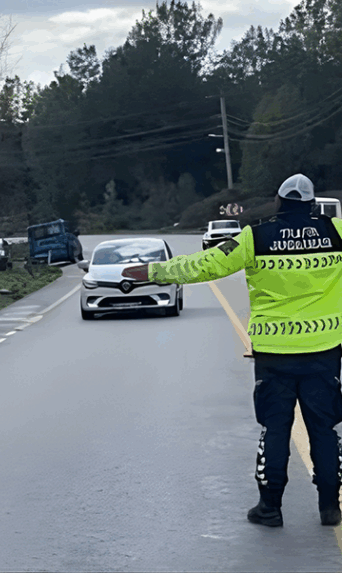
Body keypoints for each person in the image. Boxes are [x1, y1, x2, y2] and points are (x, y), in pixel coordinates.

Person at [121, 173, 342, 528]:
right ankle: (330, 507)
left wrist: (155, 271)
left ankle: (270, 508)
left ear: (278, 203)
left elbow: (205, 264)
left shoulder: (255, 236)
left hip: (274, 355)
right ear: (314, 205)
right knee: (325, 431)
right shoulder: (336, 233)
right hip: (324, 351)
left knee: (275, 430)